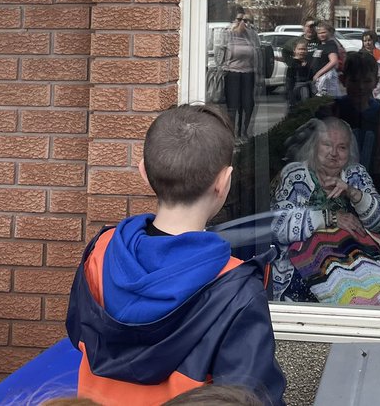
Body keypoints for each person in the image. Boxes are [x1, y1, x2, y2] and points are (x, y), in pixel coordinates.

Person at [66, 104, 286, 406]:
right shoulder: (236, 290)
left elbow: (77, 333)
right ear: (223, 182)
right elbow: (250, 397)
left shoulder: (100, 252)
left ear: (144, 173)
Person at [270, 116, 380, 302]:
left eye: (342, 147)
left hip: (360, 260)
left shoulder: (355, 174)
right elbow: (278, 226)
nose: (334, 153)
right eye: (327, 144)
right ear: (314, 146)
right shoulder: (295, 175)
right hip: (305, 268)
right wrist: (329, 218)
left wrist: (353, 193)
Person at [319, 49, 380, 202]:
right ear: (343, 80)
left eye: (367, 81)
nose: (361, 87)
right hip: (334, 192)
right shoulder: (331, 113)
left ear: (376, 82)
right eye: (355, 81)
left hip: (377, 191)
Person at [213, 7, 261, 137]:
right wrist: (221, 68)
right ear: (233, 20)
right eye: (239, 19)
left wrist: (259, 74)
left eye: (245, 20)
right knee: (233, 106)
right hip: (232, 72)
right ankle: (232, 133)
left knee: (248, 104)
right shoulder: (227, 34)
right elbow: (218, 54)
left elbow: (258, 52)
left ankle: (244, 131)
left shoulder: (252, 35)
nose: (242, 23)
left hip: (248, 73)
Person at [311, 20, 342, 97]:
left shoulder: (330, 44)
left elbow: (333, 61)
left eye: (324, 32)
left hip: (327, 78)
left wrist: (318, 74)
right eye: (319, 33)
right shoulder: (321, 45)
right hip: (320, 79)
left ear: (329, 32)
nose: (321, 35)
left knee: (327, 100)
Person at [284, 39, 314, 110]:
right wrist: (290, 97)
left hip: (307, 92)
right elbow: (289, 82)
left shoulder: (308, 62)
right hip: (296, 92)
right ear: (294, 50)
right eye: (299, 49)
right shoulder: (292, 64)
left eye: (304, 49)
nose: (302, 51)